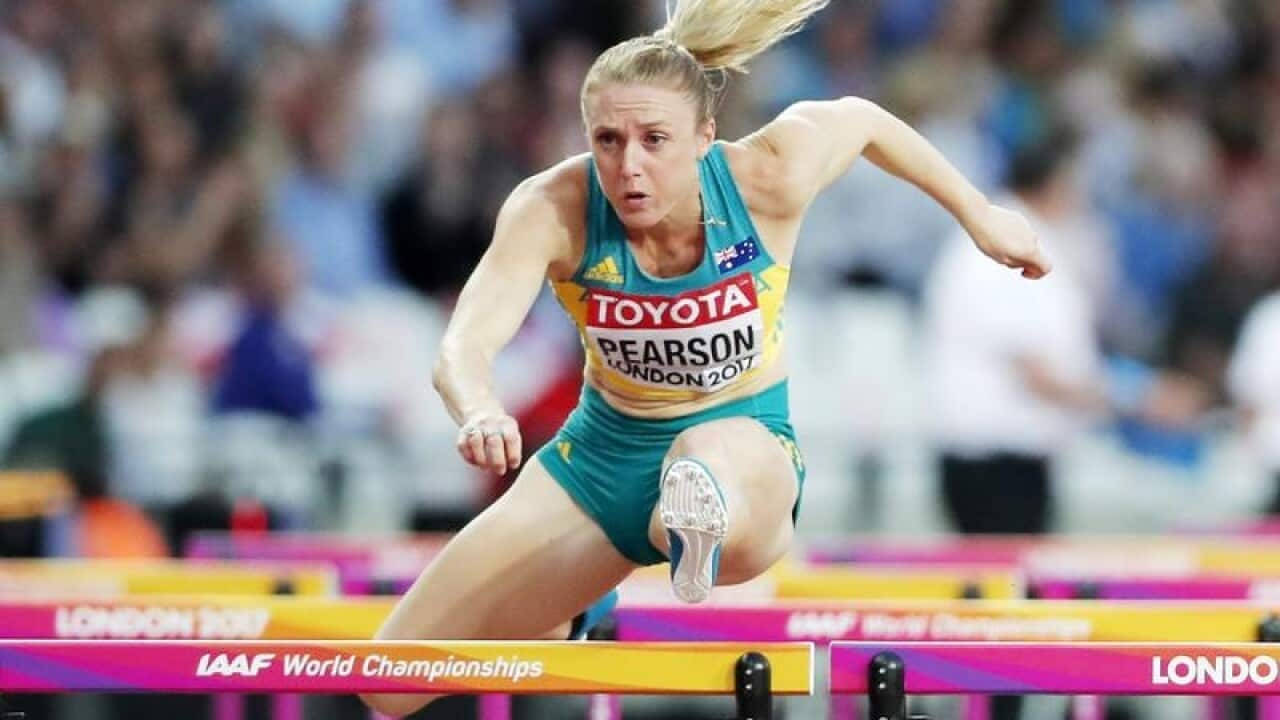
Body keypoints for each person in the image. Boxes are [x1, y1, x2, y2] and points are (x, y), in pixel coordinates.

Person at [363, 0, 1049, 716]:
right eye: (607, 140)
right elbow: (464, 342)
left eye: (654, 140)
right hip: (598, 464)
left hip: (744, 449)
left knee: (696, 461)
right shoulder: (552, 207)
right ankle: (575, 610)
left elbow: (866, 121)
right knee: (389, 686)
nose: (628, 167)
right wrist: (479, 406)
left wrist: (982, 216)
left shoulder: (766, 176)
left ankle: (692, 518)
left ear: (705, 138)